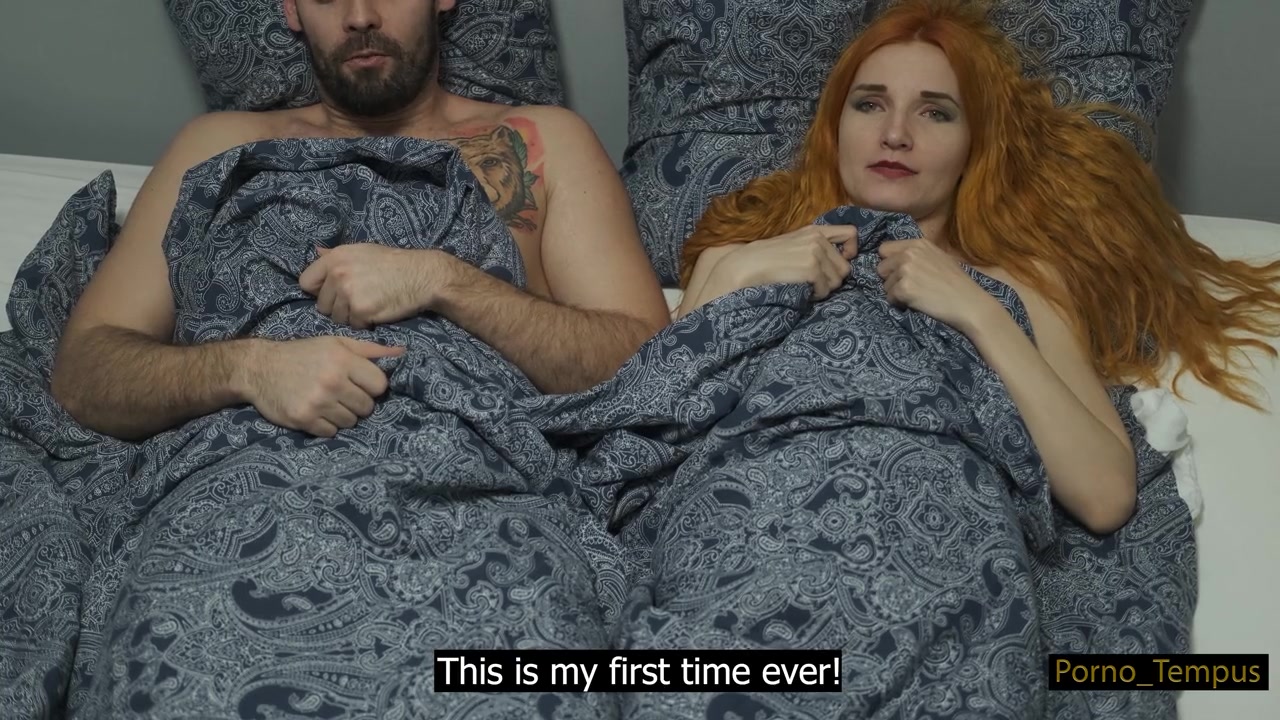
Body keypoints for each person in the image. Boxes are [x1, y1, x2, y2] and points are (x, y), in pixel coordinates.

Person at [673, 0, 1280, 535]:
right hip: (745, 532)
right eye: (869, 104)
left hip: (932, 546)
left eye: (935, 113)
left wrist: (978, 311)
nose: (894, 134)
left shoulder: (1020, 283)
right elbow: (650, 442)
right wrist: (732, 276)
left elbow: (1104, 497)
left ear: (974, 147)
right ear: (836, 129)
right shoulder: (737, 259)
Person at [50, 0, 670, 441]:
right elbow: (83, 374)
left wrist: (445, 281)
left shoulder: (542, 143)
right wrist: (249, 368)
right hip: (237, 485)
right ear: (292, 10)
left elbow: (650, 364)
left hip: (478, 493)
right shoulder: (214, 149)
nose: (360, 16)